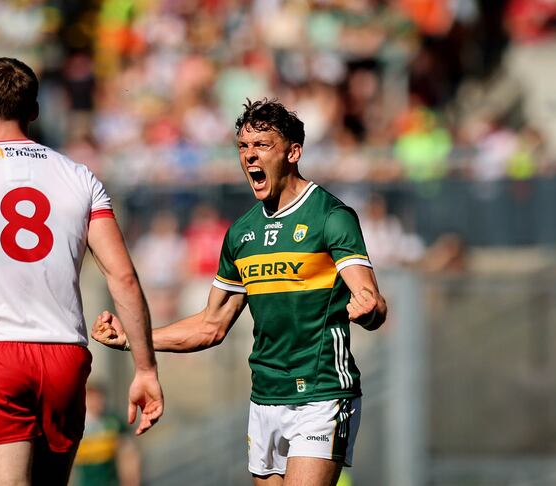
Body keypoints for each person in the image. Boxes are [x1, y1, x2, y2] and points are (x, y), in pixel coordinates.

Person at [94, 99, 387, 486]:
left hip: (321, 392)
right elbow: (211, 326)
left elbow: (372, 301)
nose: (249, 155)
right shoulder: (241, 233)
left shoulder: (331, 217)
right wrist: (133, 340)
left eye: (262, 145)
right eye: (243, 147)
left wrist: (368, 309)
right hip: (265, 396)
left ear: (293, 152)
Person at [0, 57, 163, 486]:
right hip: (64, 354)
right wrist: (145, 369)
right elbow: (123, 278)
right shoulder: (80, 177)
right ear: (34, 110)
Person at [72, 383, 140, 486]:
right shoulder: (74, 426)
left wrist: (131, 480)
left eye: (98, 398)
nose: (95, 402)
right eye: (91, 398)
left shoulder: (113, 422)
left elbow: (129, 455)